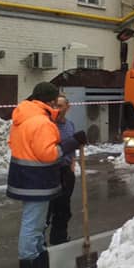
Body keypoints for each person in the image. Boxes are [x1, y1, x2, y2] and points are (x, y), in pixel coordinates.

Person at [7, 82, 86, 268]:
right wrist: (71, 143)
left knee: (36, 222)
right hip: (37, 180)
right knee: (33, 224)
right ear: (50, 101)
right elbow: (49, 155)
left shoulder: (23, 117)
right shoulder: (42, 122)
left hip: (24, 177)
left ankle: (39, 259)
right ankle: (28, 267)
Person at [47, 94, 77, 246]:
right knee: (48, 208)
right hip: (51, 171)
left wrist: (72, 165)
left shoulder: (70, 125)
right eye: (54, 105)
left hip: (66, 172)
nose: (56, 109)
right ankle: (39, 246)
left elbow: (72, 149)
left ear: (67, 107)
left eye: (60, 106)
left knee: (64, 209)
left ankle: (59, 240)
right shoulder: (49, 125)